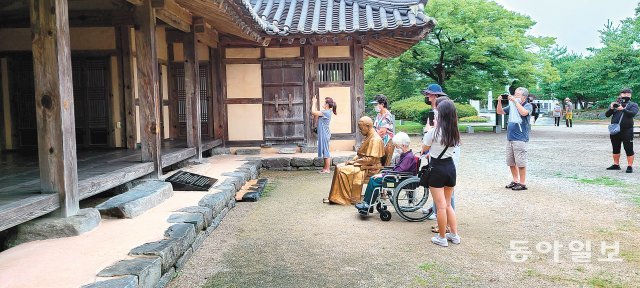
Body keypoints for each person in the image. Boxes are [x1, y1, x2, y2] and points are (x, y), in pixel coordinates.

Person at [422, 99, 461, 247]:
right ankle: (454, 235)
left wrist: (428, 128)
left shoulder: (433, 132)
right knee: (448, 204)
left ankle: (442, 237)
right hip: (450, 168)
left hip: (437, 169)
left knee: (440, 206)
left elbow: (424, 149)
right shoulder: (455, 132)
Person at [324, 117, 385, 205]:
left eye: (361, 128)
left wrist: (354, 162)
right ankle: (335, 196)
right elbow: (363, 154)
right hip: (365, 164)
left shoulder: (375, 139)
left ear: (367, 126)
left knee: (342, 170)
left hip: (371, 168)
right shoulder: (369, 136)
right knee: (339, 166)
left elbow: (371, 159)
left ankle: (344, 197)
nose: (360, 130)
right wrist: (355, 159)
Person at [354, 132, 416, 213]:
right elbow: (398, 170)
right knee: (374, 179)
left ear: (403, 145)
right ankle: (368, 204)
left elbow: (398, 171)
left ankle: (368, 204)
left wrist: (383, 174)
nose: (396, 148)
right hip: (398, 177)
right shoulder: (406, 155)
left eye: (397, 146)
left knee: (374, 180)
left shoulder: (408, 157)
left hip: (399, 179)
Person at [496, 87, 533, 191]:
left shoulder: (527, 105)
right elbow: (500, 111)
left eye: (518, 95)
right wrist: (499, 101)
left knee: (521, 162)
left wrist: (515, 102)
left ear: (524, 97)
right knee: (511, 162)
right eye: (515, 94)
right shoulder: (512, 105)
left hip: (520, 139)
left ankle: (522, 183)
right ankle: (515, 180)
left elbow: (524, 113)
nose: (515, 96)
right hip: (510, 138)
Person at [605, 88, 638, 173]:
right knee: (615, 148)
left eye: (628, 93)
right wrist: (612, 108)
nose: (626, 95)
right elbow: (607, 115)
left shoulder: (633, 104)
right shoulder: (616, 104)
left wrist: (623, 109)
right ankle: (616, 165)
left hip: (627, 130)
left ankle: (629, 166)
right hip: (615, 130)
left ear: (631, 95)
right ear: (620, 94)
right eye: (624, 93)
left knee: (628, 148)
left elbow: (633, 114)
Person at [311, 96, 337, 173]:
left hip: (325, 133)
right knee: (324, 150)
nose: (323, 103)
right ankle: (325, 168)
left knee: (325, 151)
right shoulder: (325, 112)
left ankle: (327, 169)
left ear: (327, 104)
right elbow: (315, 114)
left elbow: (313, 112)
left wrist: (314, 102)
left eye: (324, 102)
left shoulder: (326, 112)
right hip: (324, 133)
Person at [371, 94, 395, 166]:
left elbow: (382, 132)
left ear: (382, 104)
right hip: (377, 140)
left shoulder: (387, 115)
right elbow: (374, 128)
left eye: (376, 104)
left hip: (386, 143)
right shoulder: (379, 115)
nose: (375, 106)